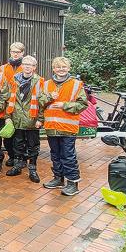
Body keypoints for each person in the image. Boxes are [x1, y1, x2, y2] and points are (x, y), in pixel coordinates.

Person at [39, 56, 88, 196]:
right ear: (53, 68)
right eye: (58, 67)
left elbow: (83, 104)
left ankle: (73, 183)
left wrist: (64, 105)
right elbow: (41, 101)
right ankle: (58, 179)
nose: (61, 69)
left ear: (69, 68)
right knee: (55, 154)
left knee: (68, 156)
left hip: (68, 127)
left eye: (64, 67)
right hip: (51, 126)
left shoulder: (76, 84)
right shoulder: (47, 84)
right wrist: (50, 97)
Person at [6, 55, 44, 183]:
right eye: (25, 64)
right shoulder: (14, 80)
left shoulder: (40, 81)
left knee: (33, 145)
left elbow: (43, 103)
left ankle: (32, 169)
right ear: (21, 65)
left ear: (34, 67)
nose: (27, 66)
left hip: (31, 118)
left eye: (31, 65)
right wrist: (8, 117)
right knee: (17, 143)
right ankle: (17, 165)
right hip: (17, 117)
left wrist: (40, 119)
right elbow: (8, 98)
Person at [1, 42, 26, 167]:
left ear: (22, 53)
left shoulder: (26, 67)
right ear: (10, 52)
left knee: (21, 133)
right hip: (7, 103)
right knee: (8, 132)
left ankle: (21, 157)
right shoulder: (3, 68)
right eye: (13, 51)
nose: (15, 54)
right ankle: (11, 155)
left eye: (18, 52)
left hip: (22, 105)